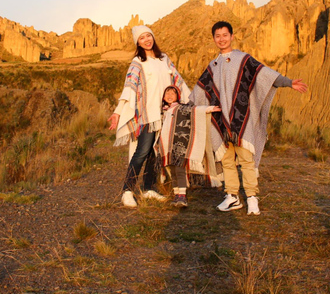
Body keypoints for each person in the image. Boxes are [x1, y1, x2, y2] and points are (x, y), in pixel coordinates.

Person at [192, 21, 308, 215]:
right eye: (217, 36)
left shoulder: (243, 59)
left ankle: (252, 197)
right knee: (227, 160)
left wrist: (287, 82)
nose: (221, 39)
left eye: (225, 35)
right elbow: (198, 91)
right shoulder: (212, 66)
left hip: (242, 117)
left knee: (246, 159)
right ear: (213, 39)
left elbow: (264, 74)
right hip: (221, 121)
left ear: (232, 36)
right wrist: (179, 104)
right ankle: (232, 196)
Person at [108, 25, 191, 208]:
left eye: (149, 36)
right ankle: (127, 191)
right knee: (142, 152)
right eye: (142, 38)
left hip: (165, 114)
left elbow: (178, 81)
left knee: (156, 152)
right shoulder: (138, 62)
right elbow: (129, 87)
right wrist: (118, 112)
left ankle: (148, 188)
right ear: (138, 42)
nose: (147, 40)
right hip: (146, 115)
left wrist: (191, 100)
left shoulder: (164, 59)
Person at [158, 85, 221, 207]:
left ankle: (182, 196)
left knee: (179, 169)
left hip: (179, 145)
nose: (170, 95)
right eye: (167, 93)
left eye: (173, 93)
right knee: (173, 171)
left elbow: (195, 110)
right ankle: (176, 195)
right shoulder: (164, 111)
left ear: (178, 96)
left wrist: (209, 108)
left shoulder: (181, 108)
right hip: (167, 147)